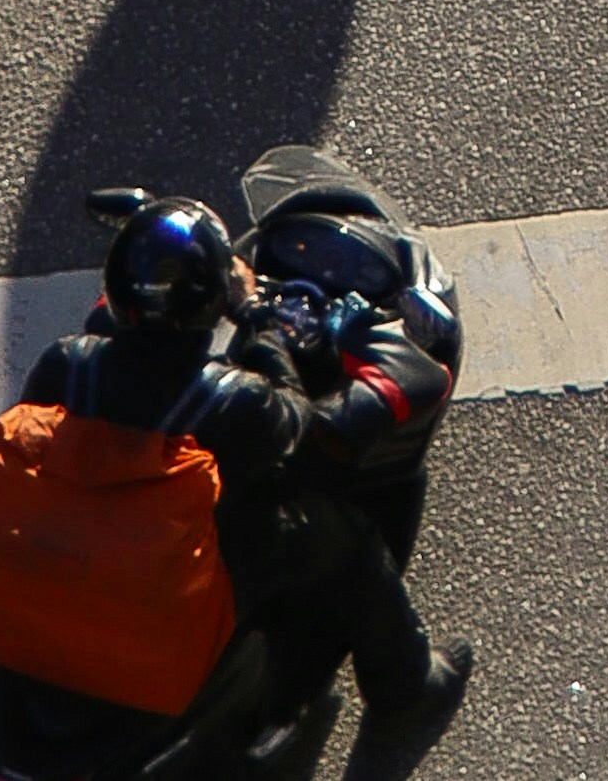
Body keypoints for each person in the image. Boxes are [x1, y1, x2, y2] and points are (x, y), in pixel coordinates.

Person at [28, 200, 473, 737]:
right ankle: (406, 686)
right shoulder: (232, 404)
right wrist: (260, 317)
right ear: (210, 303)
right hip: (177, 563)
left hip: (78, 543)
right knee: (345, 538)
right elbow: (301, 422)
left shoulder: (65, 364)